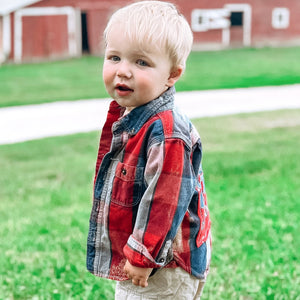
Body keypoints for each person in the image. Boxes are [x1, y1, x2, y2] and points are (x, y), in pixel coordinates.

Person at [86, 1, 211, 299]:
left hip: (163, 266)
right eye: (114, 57)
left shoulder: (167, 132)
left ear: (172, 75)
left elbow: (165, 201)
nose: (123, 71)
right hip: (147, 260)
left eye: (141, 62)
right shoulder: (134, 117)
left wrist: (143, 256)